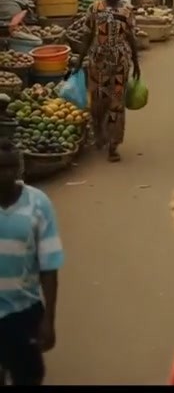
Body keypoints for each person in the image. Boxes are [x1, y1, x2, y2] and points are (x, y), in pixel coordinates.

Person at [0, 139, 64, 385]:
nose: (3, 174)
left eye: (8, 167)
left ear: (19, 169)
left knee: (27, 376)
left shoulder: (38, 204)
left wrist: (49, 319)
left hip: (24, 312)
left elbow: (49, 265)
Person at [77, 0, 140, 163]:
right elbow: (87, 35)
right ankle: (98, 132)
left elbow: (131, 38)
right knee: (98, 102)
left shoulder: (127, 12)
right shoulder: (94, 9)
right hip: (98, 64)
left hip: (120, 64)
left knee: (116, 104)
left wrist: (136, 63)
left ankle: (114, 145)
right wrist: (79, 60)